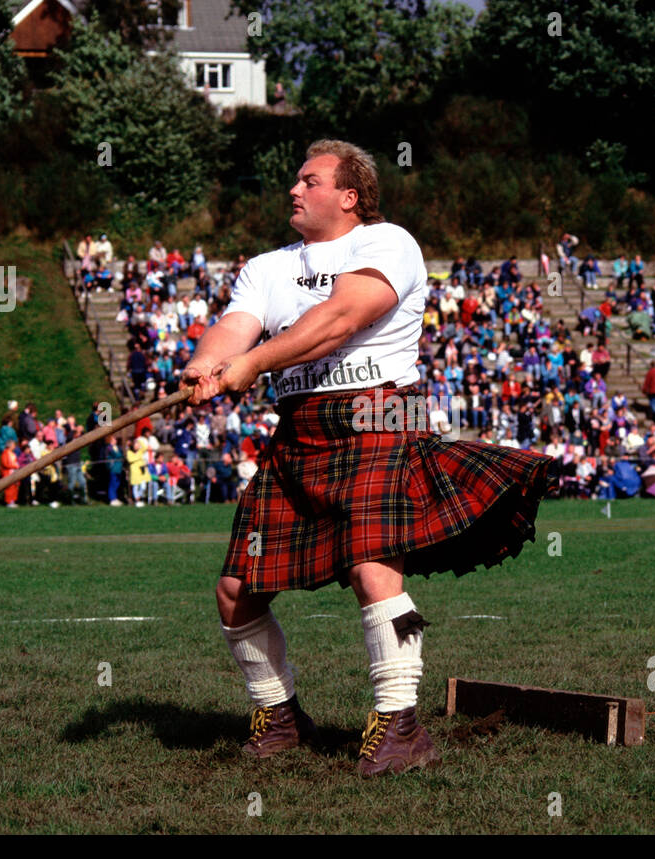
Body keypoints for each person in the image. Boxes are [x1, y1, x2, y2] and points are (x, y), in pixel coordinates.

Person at [182, 139, 552, 777]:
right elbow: (235, 325)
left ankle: (401, 724)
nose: (294, 190)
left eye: (310, 181)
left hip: (378, 414)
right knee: (237, 589)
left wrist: (251, 364)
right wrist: (205, 363)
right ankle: (280, 717)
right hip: (301, 428)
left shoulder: (387, 243)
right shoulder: (268, 266)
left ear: (350, 196)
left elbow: (341, 319)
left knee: (373, 569)